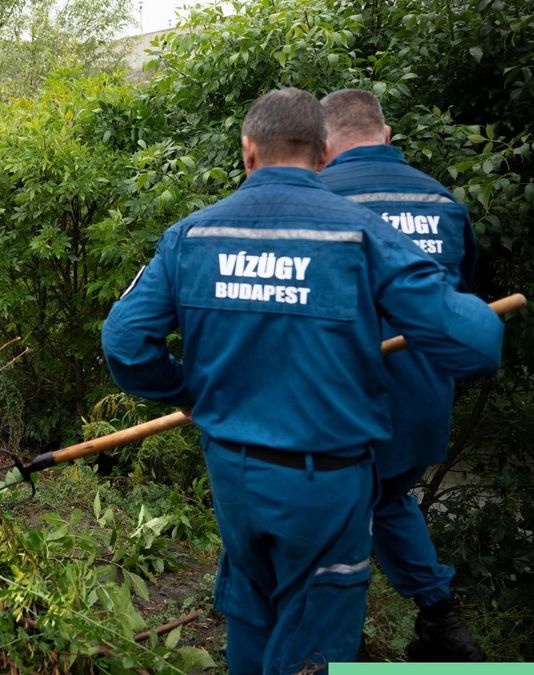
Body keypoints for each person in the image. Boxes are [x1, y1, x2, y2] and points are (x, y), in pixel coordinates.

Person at [101, 87, 504, 674]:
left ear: (247, 152)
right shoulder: (362, 235)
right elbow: (474, 342)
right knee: (313, 637)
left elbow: (124, 344)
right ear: (322, 156)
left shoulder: (192, 235)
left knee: (252, 612)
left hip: (233, 474)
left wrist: (191, 392)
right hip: (326, 484)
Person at [320, 88, 485, 662]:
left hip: (343, 403)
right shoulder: (442, 201)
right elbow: (457, 308)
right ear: (386, 136)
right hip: (421, 402)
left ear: (322, 147)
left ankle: (341, 648)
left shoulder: (317, 200)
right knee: (390, 499)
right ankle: (442, 620)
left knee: (331, 520)